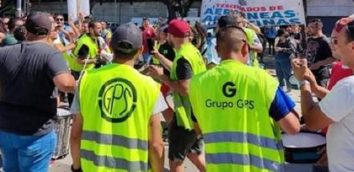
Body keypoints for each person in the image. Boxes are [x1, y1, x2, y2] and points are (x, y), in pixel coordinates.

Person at [189, 26, 300, 171]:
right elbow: (293, 127)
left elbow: (198, 127)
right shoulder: (262, 79)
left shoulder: (198, 83)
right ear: (245, 47)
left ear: (216, 50)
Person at [292, 18, 354, 171]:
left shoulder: (352, 86)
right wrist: (316, 87)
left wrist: (303, 81)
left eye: (337, 42)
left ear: (353, 46)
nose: (333, 47)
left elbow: (312, 121)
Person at [70, 25, 166, 172]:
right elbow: (156, 145)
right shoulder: (150, 87)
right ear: (140, 51)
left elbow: (75, 136)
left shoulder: (86, 81)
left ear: (110, 47)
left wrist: (77, 168)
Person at [0, 12, 75, 171]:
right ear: (48, 32)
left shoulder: (5, 52)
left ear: (26, 30)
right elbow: (65, 84)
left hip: (6, 129)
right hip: (35, 133)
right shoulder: (50, 54)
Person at [149, 19, 206, 172]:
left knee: (175, 162)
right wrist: (160, 57)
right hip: (196, 114)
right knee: (194, 154)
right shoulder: (192, 51)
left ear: (171, 36)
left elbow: (185, 88)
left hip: (185, 119)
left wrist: (163, 77)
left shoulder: (182, 58)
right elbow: (177, 69)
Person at [305, 19, 335, 88]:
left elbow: (334, 58)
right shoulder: (309, 39)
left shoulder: (325, 41)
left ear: (318, 28)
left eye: (311, 27)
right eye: (308, 27)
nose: (309, 29)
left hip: (321, 74)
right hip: (309, 71)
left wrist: (319, 64)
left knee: (321, 96)